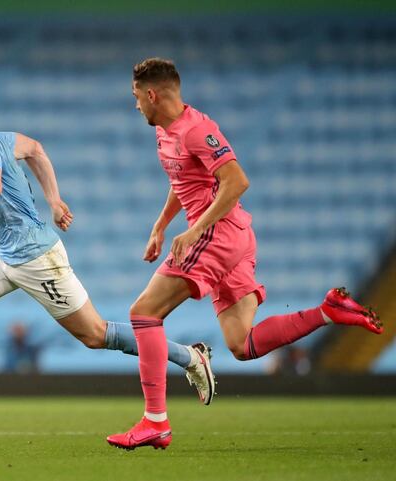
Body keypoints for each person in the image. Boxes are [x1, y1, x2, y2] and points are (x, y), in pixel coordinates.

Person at [0, 86, 216, 435]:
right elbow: (36, 149)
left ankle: (190, 357)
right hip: (2, 252)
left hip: (36, 257)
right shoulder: (0, 139)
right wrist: (54, 200)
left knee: (96, 334)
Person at [106, 58, 384, 451]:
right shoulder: (166, 132)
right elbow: (182, 179)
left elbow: (237, 181)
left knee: (143, 313)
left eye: (136, 97)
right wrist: (161, 225)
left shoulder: (197, 130)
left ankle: (156, 421)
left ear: (152, 94)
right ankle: (328, 311)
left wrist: (195, 228)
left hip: (217, 235)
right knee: (242, 344)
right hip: (231, 236)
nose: (135, 105)